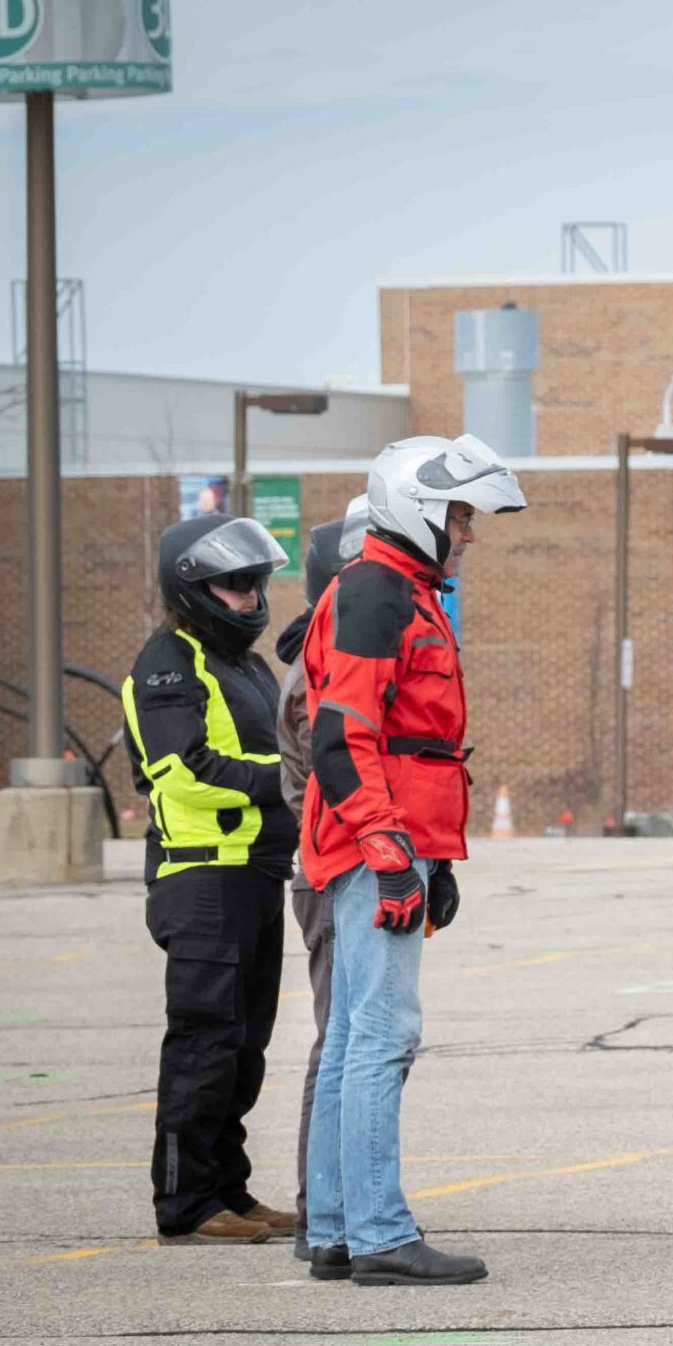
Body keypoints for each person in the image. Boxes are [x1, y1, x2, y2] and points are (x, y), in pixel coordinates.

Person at [300, 435, 525, 1285]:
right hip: (372, 844)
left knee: (357, 1029)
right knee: (382, 1032)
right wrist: (393, 853)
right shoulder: (377, 594)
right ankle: (379, 1233)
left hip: (388, 840)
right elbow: (341, 734)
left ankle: (336, 1225)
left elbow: (409, 742)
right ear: (420, 507)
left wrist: (435, 857)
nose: (468, 532)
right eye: (460, 515)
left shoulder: (398, 591)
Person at [123, 514, 297, 1245]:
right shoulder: (168, 664)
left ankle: (229, 1185)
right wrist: (288, 780)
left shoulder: (249, 664)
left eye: (256, 582)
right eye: (234, 584)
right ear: (192, 588)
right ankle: (185, 1199)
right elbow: (184, 771)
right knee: (203, 1041)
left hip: (257, 873)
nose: (250, 597)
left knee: (245, 1044)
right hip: (202, 880)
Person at [273, 497, 370, 1264]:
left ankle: (333, 1207)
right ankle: (322, 1211)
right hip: (337, 869)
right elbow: (333, 771)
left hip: (347, 862)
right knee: (342, 1038)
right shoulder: (321, 668)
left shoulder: (333, 650)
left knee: (350, 1036)